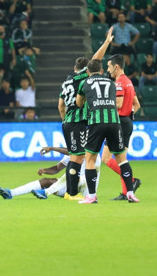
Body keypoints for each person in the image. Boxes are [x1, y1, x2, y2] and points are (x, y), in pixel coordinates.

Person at [57, 27, 113, 199]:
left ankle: (71, 192)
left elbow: (60, 105)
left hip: (68, 121)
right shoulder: (81, 78)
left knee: (77, 156)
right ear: (84, 70)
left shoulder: (67, 81)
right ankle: (71, 193)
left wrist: (65, 119)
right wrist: (106, 43)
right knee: (77, 158)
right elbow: (96, 59)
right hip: (76, 122)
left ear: (74, 67)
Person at [76, 59, 139, 204]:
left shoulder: (85, 83)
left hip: (97, 122)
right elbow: (117, 102)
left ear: (87, 72)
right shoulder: (112, 83)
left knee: (90, 158)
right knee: (122, 159)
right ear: (102, 71)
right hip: (114, 122)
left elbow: (79, 103)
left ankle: (91, 196)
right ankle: (130, 193)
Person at [105, 54, 143, 201]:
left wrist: (104, 106)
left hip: (119, 122)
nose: (108, 70)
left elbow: (118, 104)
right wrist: (130, 115)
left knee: (106, 158)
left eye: (109, 66)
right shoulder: (129, 82)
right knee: (122, 159)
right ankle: (126, 191)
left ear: (116, 67)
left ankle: (131, 180)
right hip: (127, 122)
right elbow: (137, 105)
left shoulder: (119, 83)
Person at [0, 149, 101, 200]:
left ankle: (45, 193)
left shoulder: (93, 155)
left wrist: (52, 148)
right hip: (71, 187)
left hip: (86, 189)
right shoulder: (73, 155)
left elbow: (73, 150)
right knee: (45, 181)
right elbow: (57, 168)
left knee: (71, 176)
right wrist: (45, 170)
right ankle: (10, 193)